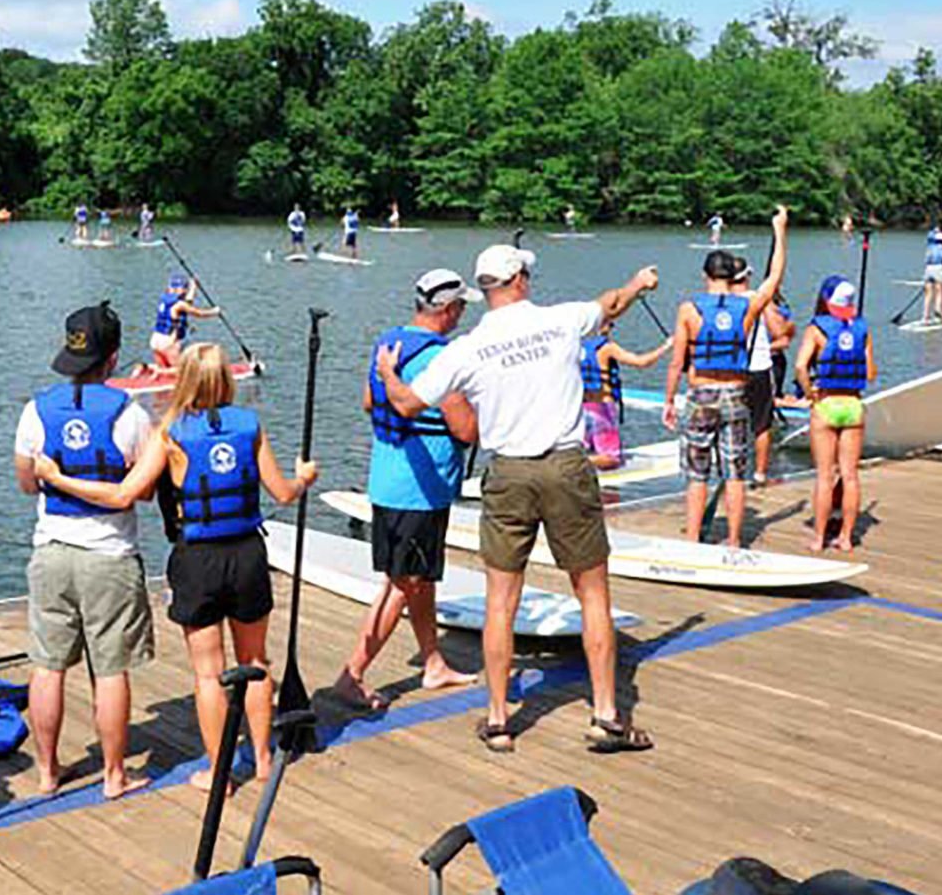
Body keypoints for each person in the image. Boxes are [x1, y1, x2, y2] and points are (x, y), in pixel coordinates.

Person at [375, 244, 660, 755]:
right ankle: (606, 717)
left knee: (500, 602)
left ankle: (499, 719)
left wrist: (390, 372)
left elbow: (408, 402)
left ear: (485, 289)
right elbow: (611, 304)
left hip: (507, 474)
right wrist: (639, 284)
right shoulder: (562, 320)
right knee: (592, 594)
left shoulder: (465, 347)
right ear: (521, 279)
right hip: (568, 467)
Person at [35, 342, 318, 791]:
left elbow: (123, 496)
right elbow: (283, 493)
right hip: (247, 554)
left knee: (209, 673)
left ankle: (219, 773)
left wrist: (56, 478)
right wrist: (304, 476)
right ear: (225, 379)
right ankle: (263, 761)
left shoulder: (169, 433)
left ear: (184, 379)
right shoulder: (250, 426)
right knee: (256, 660)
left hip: (198, 560)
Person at [13, 302, 155, 799]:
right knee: (110, 670)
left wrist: (59, 476)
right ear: (112, 358)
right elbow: (148, 490)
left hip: (51, 551)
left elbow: (28, 485)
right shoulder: (132, 415)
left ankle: (47, 774)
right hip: (110, 556)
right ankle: (114, 776)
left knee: (48, 666)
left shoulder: (35, 410)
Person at [333, 270, 483, 710]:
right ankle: (351, 674)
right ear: (449, 308)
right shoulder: (442, 360)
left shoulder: (389, 344)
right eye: (462, 307)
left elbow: (368, 401)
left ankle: (433, 663)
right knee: (401, 583)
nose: (462, 315)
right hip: (417, 491)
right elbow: (467, 429)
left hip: (390, 479)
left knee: (422, 579)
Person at [662, 210, 789, 546]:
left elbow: (676, 362)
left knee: (696, 475)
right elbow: (775, 276)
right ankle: (734, 539)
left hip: (701, 394)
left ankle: (692, 538)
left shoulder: (689, 310)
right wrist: (780, 231)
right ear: (733, 276)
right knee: (734, 474)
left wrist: (668, 401)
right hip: (735, 395)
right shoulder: (747, 306)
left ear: (706, 274)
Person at [794, 276, 876, 552]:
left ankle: (818, 538)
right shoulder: (862, 329)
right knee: (850, 476)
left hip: (826, 405)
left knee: (824, 476)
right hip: (853, 405)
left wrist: (809, 394)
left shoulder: (816, 329)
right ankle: (846, 538)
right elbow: (871, 374)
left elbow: (800, 367)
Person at [581, 320, 672, 470]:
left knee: (587, 447)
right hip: (602, 409)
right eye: (609, 324)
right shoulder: (607, 348)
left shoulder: (577, 346)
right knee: (612, 458)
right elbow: (641, 362)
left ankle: (582, 466)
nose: (611, 328)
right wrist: (666, 346)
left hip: (581, 409)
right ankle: (577, 465)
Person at [735, 274, 795, 487]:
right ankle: (760, 474)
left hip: (732, 371)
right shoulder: (759, 299)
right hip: (759, 367)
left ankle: (732, 476)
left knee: (734, 424)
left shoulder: (719, 299)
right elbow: (783, 335)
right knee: (762, 425)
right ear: (746, 277)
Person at [150, 273, 220, 372]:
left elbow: (188, 302)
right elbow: (199, 313)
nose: (187, 290)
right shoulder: (180, 305)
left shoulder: (165, 301)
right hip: (168, 342)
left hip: (155, 340)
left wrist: (194, 286)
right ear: (181, 289)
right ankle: (148, 368)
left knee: (164, 371)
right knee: (181, 372)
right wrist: (214, 312)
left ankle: (151, 370)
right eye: (185, 288)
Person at [921, 225, 942, 324]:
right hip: (938, 269)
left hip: (928, 269)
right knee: (939, 292)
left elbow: (926, 260)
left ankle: (925, 317)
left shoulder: (929, 248)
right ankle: (938, 311)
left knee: (928, 294)